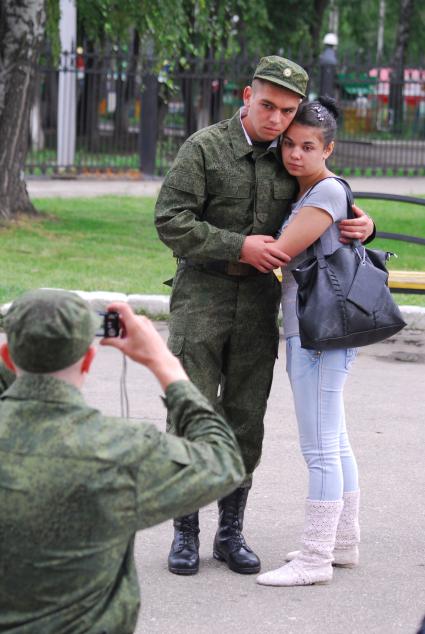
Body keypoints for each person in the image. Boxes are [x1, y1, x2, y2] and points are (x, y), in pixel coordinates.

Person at [154, 55, 374, 576]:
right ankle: (186, 531)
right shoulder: (204, 148)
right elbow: (169, 220)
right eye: (269, 105)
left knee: (245, 419)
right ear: (247, 96)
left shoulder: (290, 157)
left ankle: (231, 532)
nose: (277, 120)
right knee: (192, 411)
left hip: (257, 304)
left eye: (288, 110)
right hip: (201, 298)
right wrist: (237, 246)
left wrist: (364, 222)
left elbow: (326, 197)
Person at [0, 289, 245, 633]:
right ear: (88, 360)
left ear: (7, 357)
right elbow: (224, 461)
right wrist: (164, 363)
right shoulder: (121, 450)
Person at [256, 97, 361, 587]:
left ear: (329, 148)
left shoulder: (323, 193)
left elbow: (280, 252)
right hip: (323, 331)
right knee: (334, 441)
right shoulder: (320, 190)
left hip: (317, 334)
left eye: (309, 147)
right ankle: (342, 543)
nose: (295, 154)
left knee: (319, 448)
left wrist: (222, 245)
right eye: (290, 144)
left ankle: (316, 559)